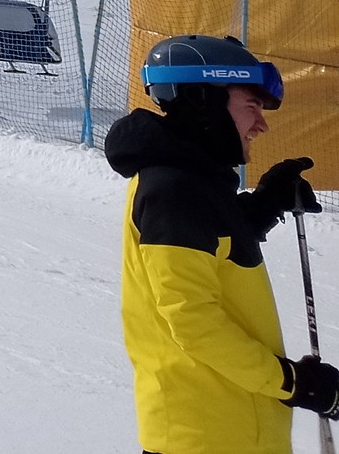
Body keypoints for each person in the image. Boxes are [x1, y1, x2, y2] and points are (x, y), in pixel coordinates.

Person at [105, 33, 332, 453]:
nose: (261, 125)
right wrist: (293, 383)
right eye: (251, 107)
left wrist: (264, 205)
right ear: (202, 101)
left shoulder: (191, 183)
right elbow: (194, 322)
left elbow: (215, 245)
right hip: (203, 437)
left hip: (234, 430)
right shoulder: (173, 191)